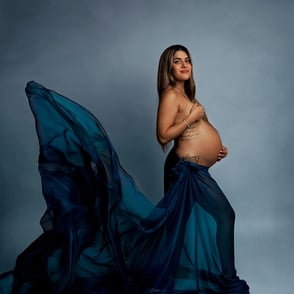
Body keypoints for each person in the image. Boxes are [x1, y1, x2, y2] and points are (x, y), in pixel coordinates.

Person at [0, 45, 249, 293]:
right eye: (177, 61)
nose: (184, 65)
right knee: (224, 216)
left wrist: (216, 148)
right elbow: (163, 135)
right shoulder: (171, 95)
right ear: (168, 68)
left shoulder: (189, 98)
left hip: (196, 169)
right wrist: (192, 118)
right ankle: (228, 281)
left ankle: (161, 270)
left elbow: (194, 135)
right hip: (186, 171)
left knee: (174, 227)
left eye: (188, 60)